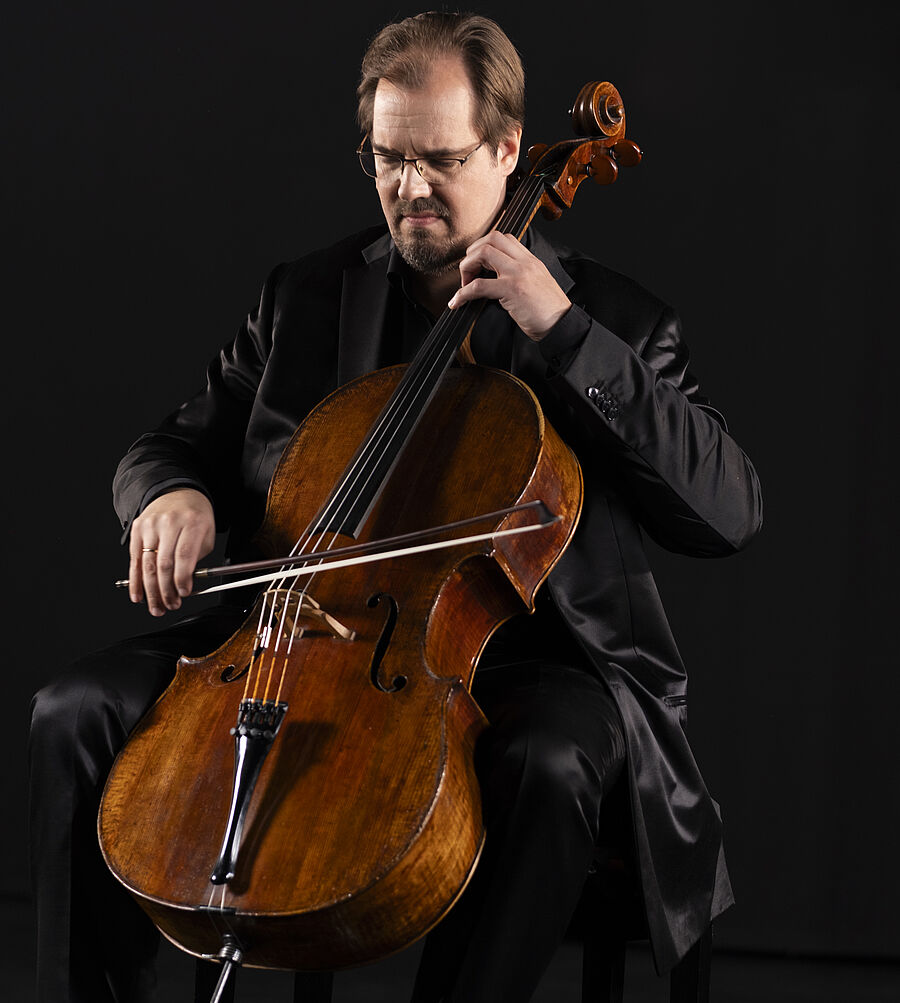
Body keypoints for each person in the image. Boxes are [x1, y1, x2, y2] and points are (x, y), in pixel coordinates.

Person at [28, 11, 762, 1003]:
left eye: (440, 159)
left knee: (549, 763)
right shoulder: (304, 298)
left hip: (531, 661)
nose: (409, 188)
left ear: (508, 149)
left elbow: (726, 509)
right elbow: (173, 440)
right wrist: (170, 495)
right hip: (296, 623)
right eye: (387, 158)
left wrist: (564, 331)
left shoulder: (617, 322)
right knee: (73, 709)